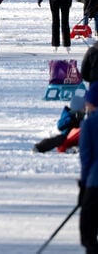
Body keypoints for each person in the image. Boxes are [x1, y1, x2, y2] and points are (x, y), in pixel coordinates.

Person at [79, 81, 98, 252]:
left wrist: (83, 185)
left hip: (95, 183)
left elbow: (86, 158)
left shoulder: (89, 124)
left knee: (89, 230)